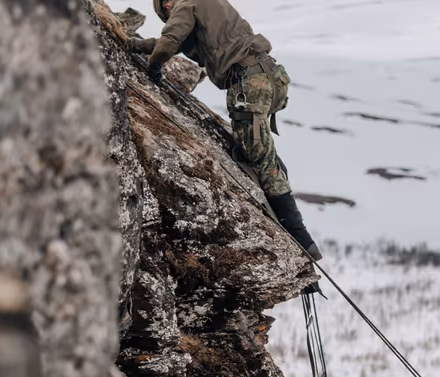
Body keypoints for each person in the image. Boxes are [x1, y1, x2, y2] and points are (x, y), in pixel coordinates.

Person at [129, 0, 322, 261]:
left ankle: (302, 240)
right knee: (260, 152)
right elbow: (169, 42)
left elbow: (169, 42)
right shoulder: (209, 5)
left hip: (248, 82)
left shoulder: (186, 6)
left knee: (260, 160)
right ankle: (290, 217)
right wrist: (137, 45)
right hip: (271, 75)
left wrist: (153, 68)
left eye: (166, 5)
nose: (169, 7)